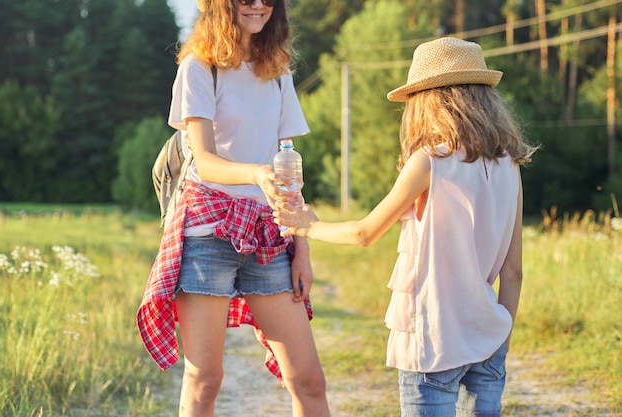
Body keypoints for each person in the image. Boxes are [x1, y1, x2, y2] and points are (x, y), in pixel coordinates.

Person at [274, 37, 537, 417]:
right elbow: (513, 271)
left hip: (434, 341)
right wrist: (501, 340)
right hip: (489, 335)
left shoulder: (429, 162)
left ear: (430, 100)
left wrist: (309, 226)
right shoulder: (509, 166)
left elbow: (365, 234)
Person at [136, 0, 330, 416]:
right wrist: (258, 175)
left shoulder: (277, 71)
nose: (258, 5)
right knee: (205, 380)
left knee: (308, 379)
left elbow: (289, 167)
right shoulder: (198, 67)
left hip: (266, 233)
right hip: (208, 232)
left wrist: (303, 249)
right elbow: (204, 160)